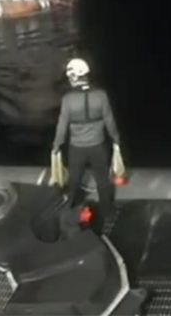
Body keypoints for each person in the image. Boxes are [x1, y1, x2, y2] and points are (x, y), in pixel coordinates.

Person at [51, 58, 120, 231]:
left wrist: (56, 145)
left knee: (73, 181)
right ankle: (109, 214)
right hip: (98, 146)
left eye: (70, 75)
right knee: (103, 181)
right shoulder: (101, 95)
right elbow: (109, 120)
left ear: (75, 76)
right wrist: (116, 140)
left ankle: (72, 211)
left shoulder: (68, 99)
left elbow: (62, 125)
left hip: (77, 149)